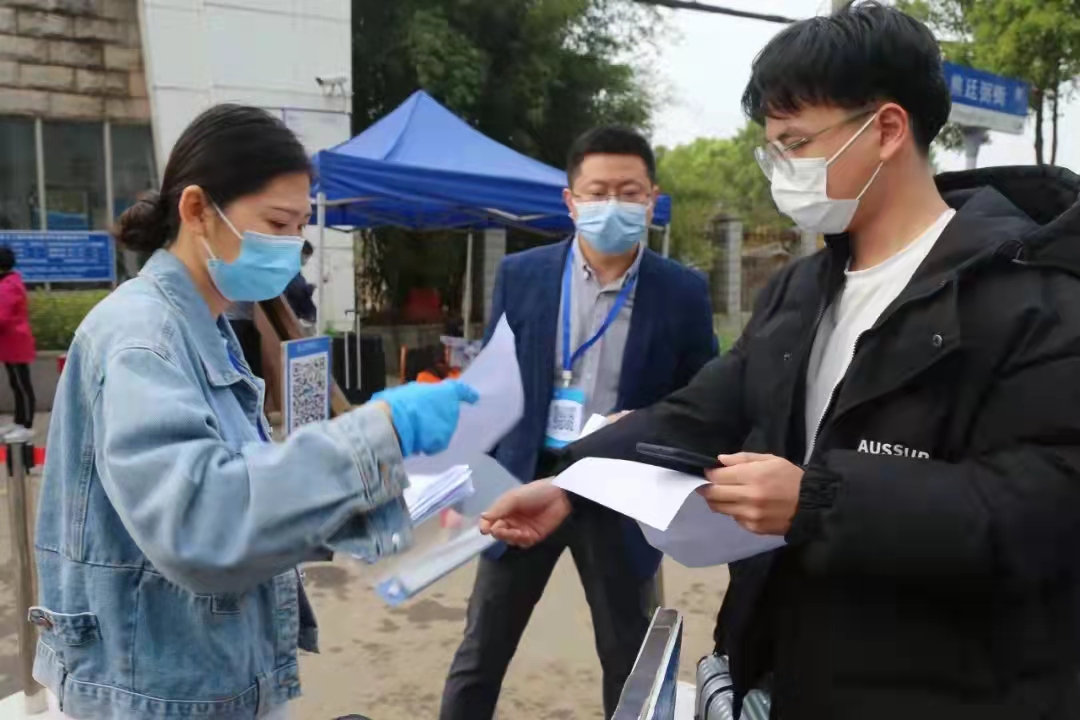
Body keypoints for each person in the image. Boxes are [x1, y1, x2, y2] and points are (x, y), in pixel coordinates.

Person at [478, 4, 1080, 718]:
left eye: (796, 143)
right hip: (789, 665)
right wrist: (573, 482)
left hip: (948, 684)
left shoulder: (1032, 293)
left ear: (887, 129)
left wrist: (819, 501)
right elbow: (703, 408)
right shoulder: (802, 290)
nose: (782, 170)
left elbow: (1044, 505)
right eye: (773, 149)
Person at [31, 104, 478, 720]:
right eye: (275, 223)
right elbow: (201, 522)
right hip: (156, 692)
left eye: (299, 227)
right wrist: (378, 435)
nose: (291, 247)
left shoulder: (205, 327)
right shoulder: (142, 338)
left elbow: (251, 497)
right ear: (196, 210)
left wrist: (401, 483)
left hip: (204, 674)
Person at [441, 127, 717, 720]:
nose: (612, 204)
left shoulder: (683, 292)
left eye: (629, 192)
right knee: (481, 649)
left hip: (621, 488)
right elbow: (493, 380)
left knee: (631, 660)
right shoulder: (522, 275)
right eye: (597, 192)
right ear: (571, 200)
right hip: (526, 480)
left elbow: (704, 399)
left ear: (651, 200)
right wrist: (468, 474)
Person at [0, 245, 36, 471]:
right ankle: (18, 421)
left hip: (15, 342)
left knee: (22, 386)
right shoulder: (8, 283)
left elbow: (1, 316)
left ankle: (27, 424)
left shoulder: (8, 286)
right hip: (9, 343)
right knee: (16, 384)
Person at [284, 240, 317, 324]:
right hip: (293, 318)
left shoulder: (295, 271)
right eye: (306, 257)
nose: (307, 261)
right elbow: (297, 292)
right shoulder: (288, 271)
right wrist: (309, 288)